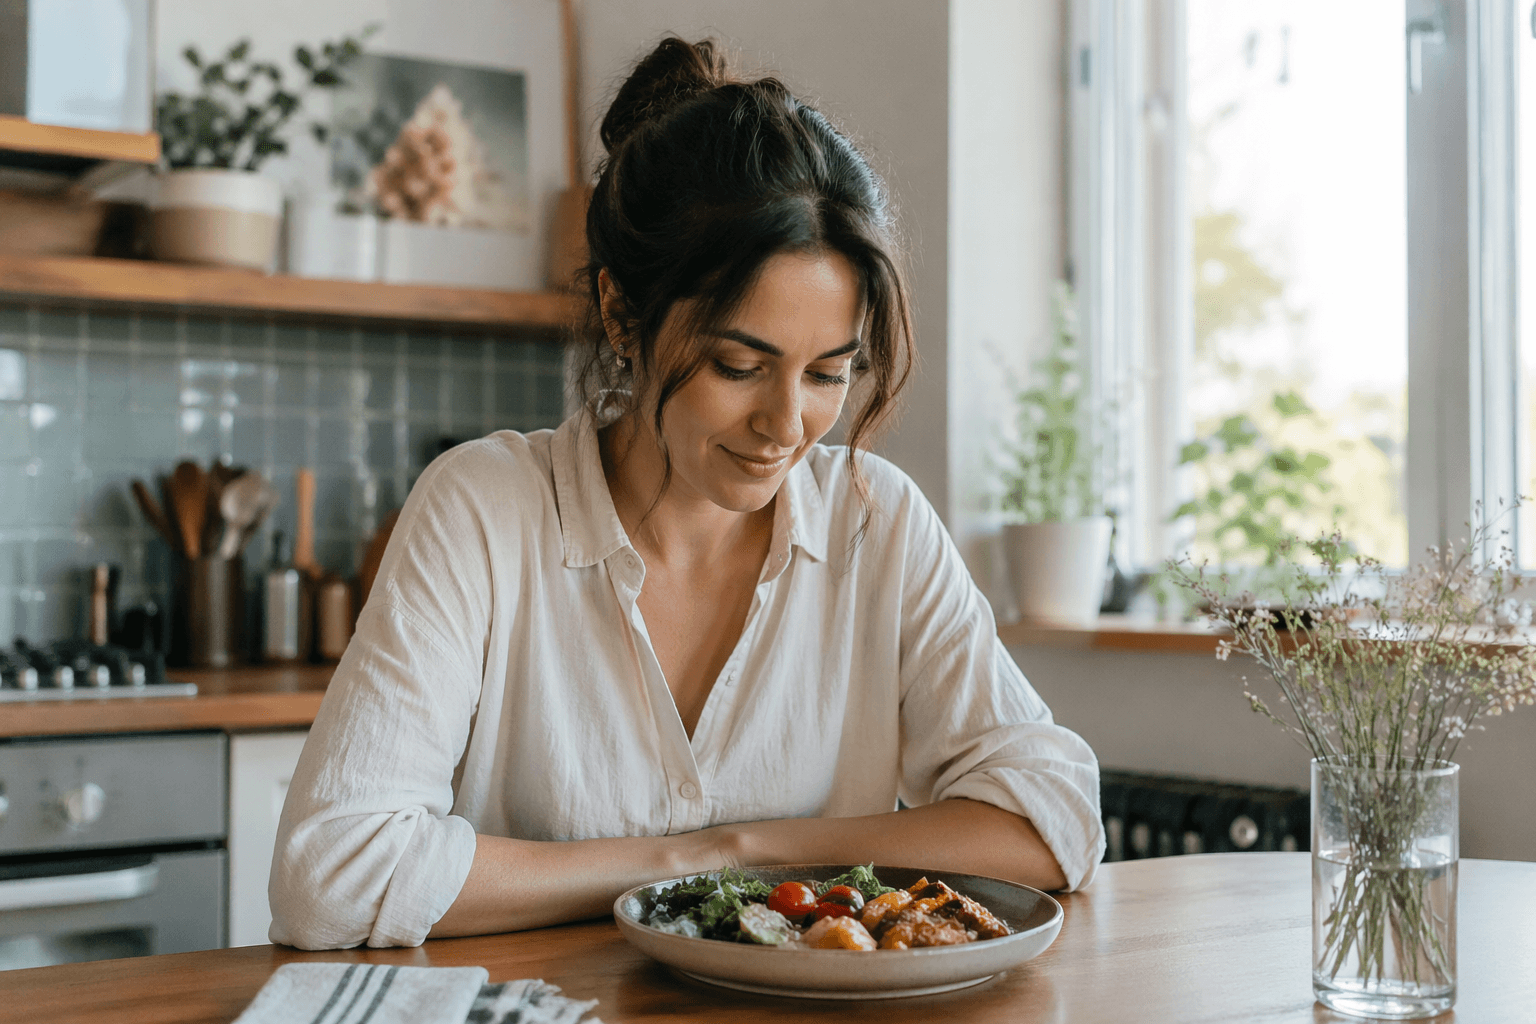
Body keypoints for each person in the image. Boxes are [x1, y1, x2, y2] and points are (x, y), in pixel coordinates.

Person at [269, 37, 1104, 951]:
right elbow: (332, 877)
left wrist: (743, 850)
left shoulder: (877, 519)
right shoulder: (484, 509)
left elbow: (1054, 817)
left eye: (830, 373)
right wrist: (683, 862)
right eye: (739, 365)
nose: (786, 424)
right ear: (624, 315)